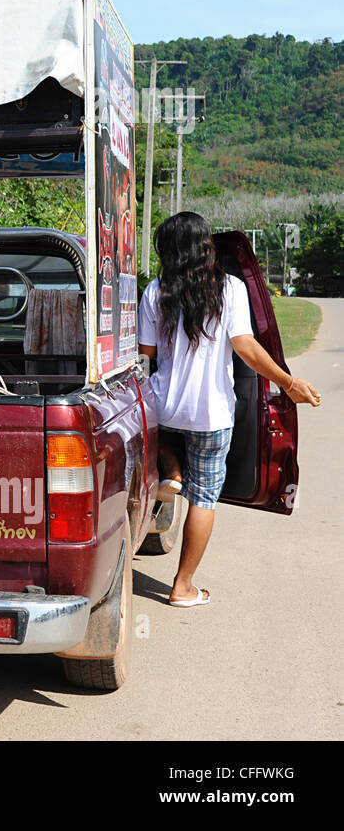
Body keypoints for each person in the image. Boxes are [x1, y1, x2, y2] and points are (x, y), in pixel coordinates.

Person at [138, 212, 321, 608]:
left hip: (164, 406)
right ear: (207, 248)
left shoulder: (156, 291)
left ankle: (170, 467)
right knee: (203, 499)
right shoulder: (230, 288)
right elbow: (247, 348)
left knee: (163, 426)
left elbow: (145, 357)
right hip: (211, 415)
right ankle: (183, 587)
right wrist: (289, 383)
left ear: (166, 250)